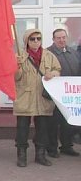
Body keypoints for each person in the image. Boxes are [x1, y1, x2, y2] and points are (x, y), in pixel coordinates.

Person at [14, 29, 60, 167]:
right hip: (24, 97)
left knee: (43, 128)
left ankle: (40, 155)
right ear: (26, 41)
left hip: (42, 98)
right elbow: (15, 78)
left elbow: (58, 69)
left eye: (38, 38)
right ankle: (21, 155)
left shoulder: (49, 55)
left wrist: (52, 73)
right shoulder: (19, 55)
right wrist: (18, 66)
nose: (36, 41)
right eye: (32, 39)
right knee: (22, 129)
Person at [46, 28, 80, 157]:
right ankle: (52, 148)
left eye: (63, 37)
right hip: (54, 94)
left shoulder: (73, 52)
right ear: (53, 39)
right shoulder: (48, 53)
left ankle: (66, 146)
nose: (62, 40)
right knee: (53, 123)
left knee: (68, 122)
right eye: (58, 38)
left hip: (70, 95)